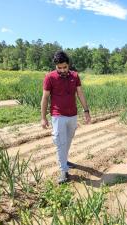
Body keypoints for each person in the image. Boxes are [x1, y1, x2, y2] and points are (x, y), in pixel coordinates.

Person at [41, 50, 91, 184]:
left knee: (68, 141)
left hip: (73, 115)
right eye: (59, 68)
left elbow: (80, 94)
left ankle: (65, 160)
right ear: (55, 66)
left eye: (65, 67)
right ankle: (63, 171)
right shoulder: (49, 77)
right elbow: (45, 98)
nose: (62, 70)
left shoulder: (75, 76)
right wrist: (43, 117)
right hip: (58, 115)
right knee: (59, 141)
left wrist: (86, 111)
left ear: (68, 65)